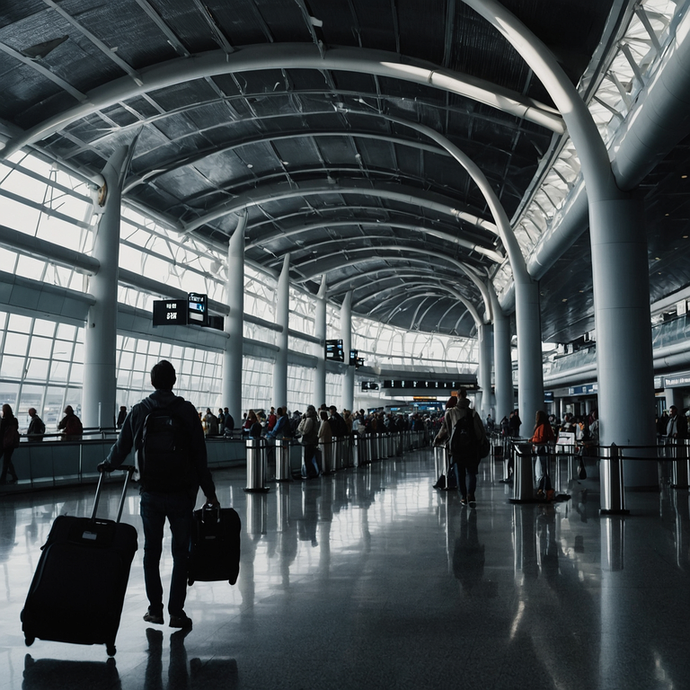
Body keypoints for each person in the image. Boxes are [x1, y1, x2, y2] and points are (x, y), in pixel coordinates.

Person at [99, 360, 219, 630]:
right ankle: (176, 611)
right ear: (174, 380)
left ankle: (155, 609)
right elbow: (200, 457)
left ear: (152, 382)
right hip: (181, 494)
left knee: (151, 552)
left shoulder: (140, 410)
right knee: (181, 553)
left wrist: (108, 464)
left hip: (150, 492)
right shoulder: (187, 412)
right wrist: (209, 493)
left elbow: (122, 446)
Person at [531, 410, 555, 494]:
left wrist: (533, 440)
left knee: (542, 469)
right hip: (544, 448)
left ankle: (541, 487)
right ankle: (546, 487)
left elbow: (541, 438)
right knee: (544, 469)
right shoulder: (545, 425)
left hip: (542, 448)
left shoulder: (542, 426)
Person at [297, 405, 320, 478]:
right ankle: (313, 472)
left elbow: (304, 430)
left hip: (308, 441)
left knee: (307, 458)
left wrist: (303, 420)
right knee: (310, 458)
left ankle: (311, 472)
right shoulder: (315, 419)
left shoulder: (309, 419)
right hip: (313, 441)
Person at [0, 404, 20, 484]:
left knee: (6, 461)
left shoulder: (4, 421)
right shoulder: (14, 420)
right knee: (7, 461)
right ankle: (7, 477)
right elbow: (16, 429)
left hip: (3, 444)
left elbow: (1, 433)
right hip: (11, 444)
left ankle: (3, 479)